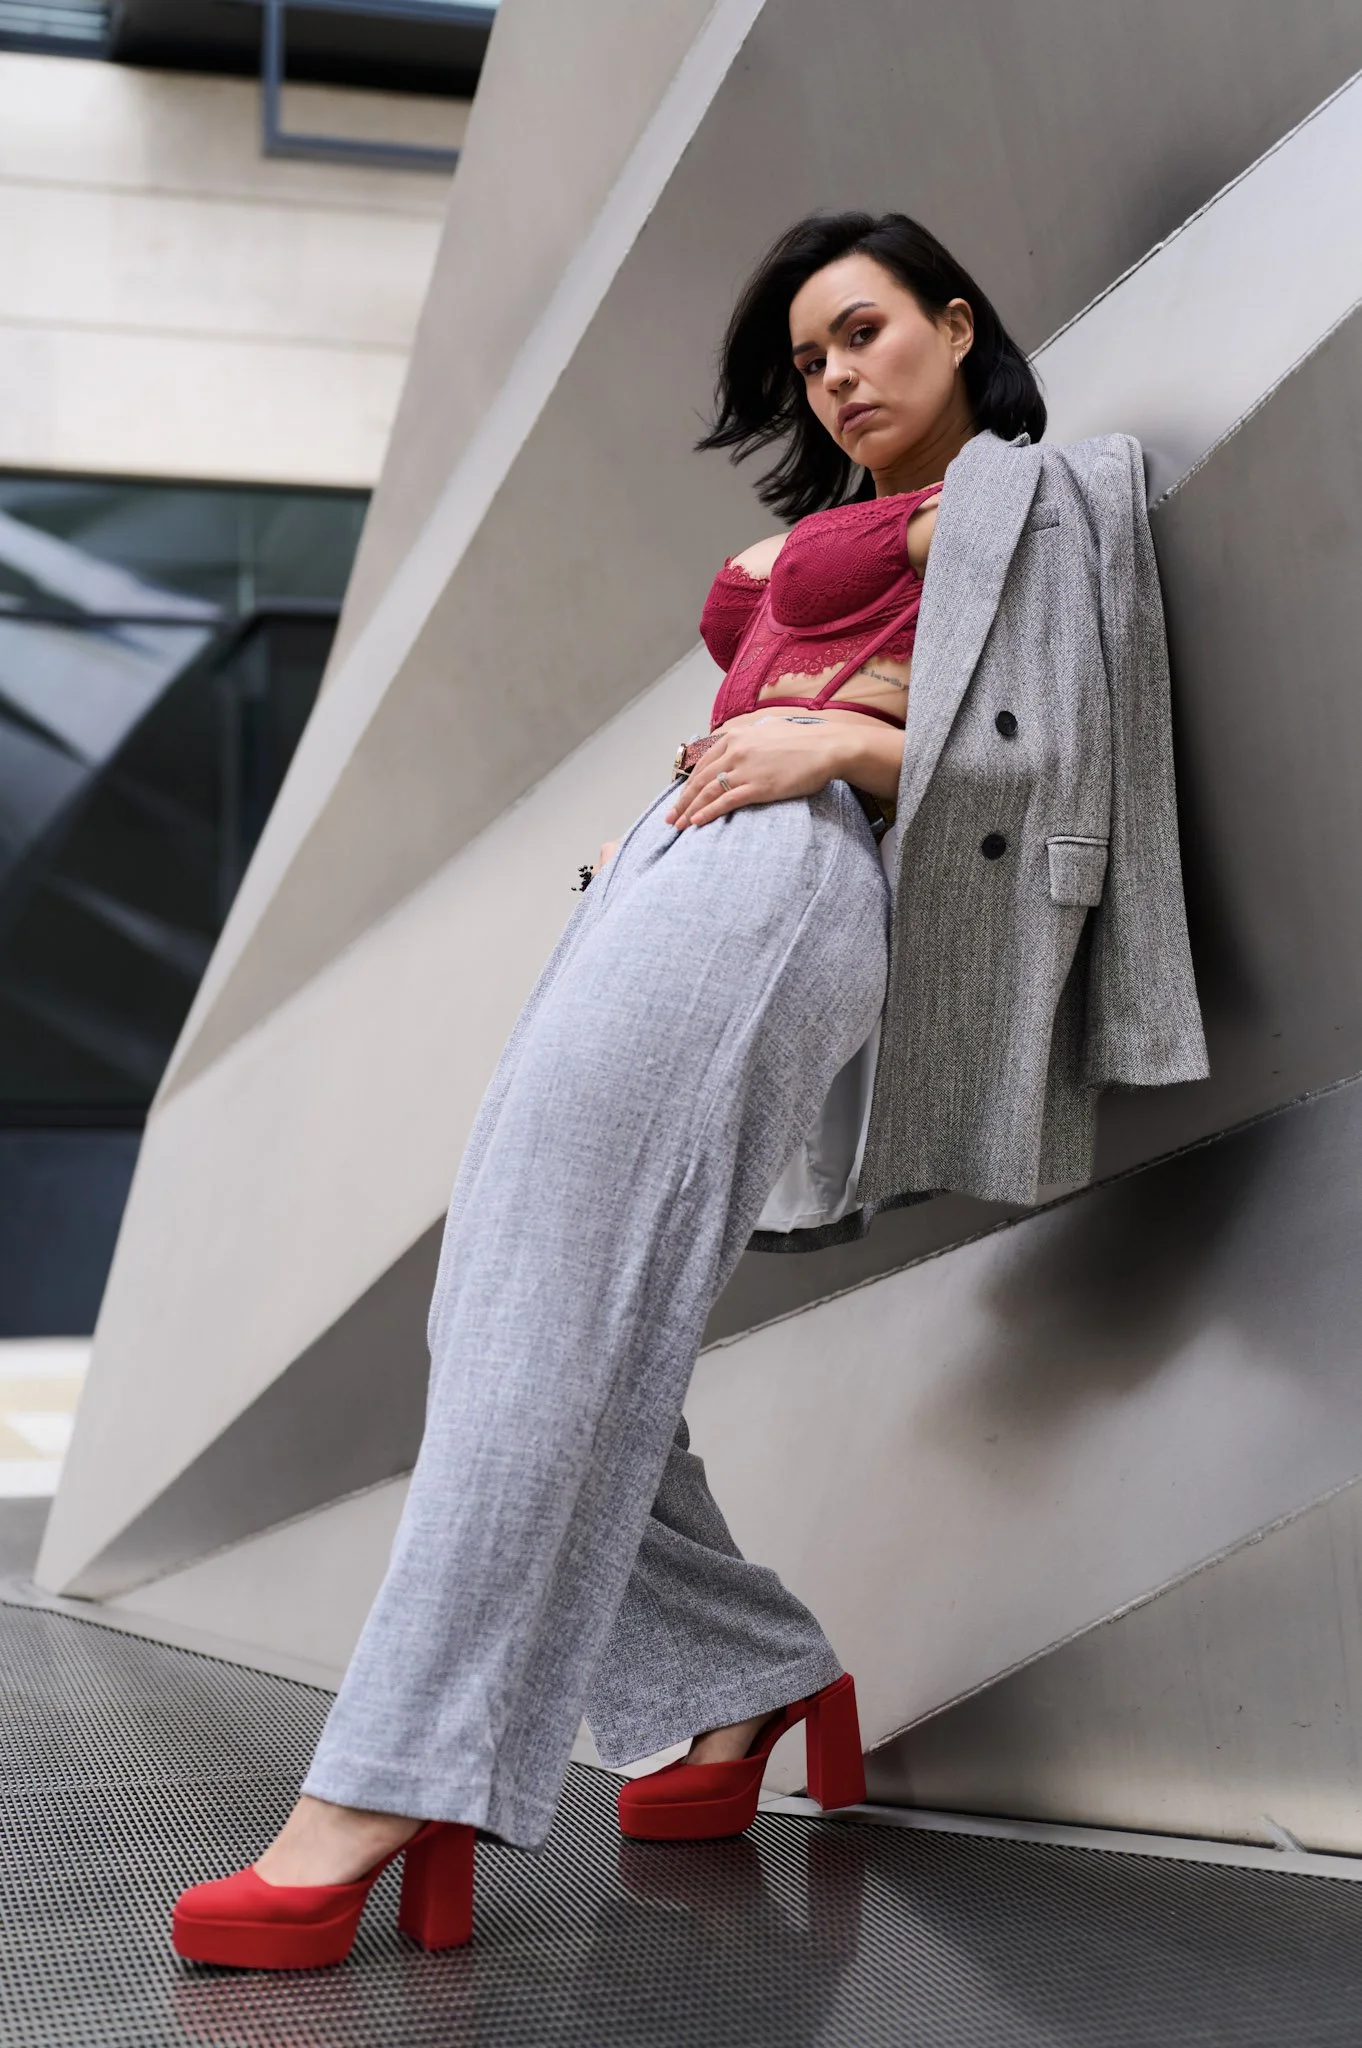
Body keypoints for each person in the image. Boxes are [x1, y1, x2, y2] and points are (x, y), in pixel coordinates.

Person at [171, 211, 1206, 1970]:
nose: (836, 376)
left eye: (864, 332)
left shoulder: (1033, 496)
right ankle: (741, 1679)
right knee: (509, 1295)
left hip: (792, 867)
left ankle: (384, 1783)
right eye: (809, 360)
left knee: (554, 1295)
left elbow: (1071, 756)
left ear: (956, 326)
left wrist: (850, 746)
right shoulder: (837, 524)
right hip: (671, 873)